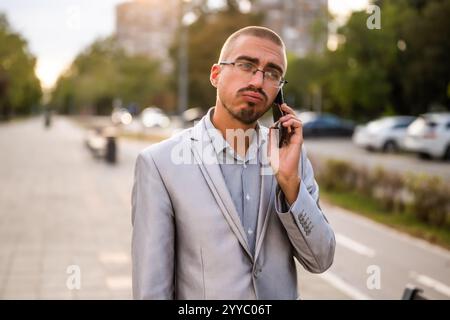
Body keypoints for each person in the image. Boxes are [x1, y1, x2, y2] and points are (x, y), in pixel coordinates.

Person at [131, 26, 335, 300]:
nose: (258, 81)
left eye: (273, 74)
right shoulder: (159, 164)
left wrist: (290, 185)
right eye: (246, 65)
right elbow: (152, 290)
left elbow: (320, 259)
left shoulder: (290, 156)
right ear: (216, 74)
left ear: (279, 92)